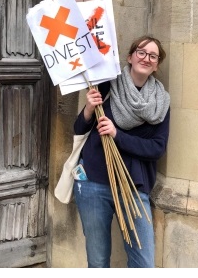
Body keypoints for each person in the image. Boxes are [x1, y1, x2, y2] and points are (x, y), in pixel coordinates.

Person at [73, 35, 171, 268]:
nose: (146, 58)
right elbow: (78, 129)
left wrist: (118, 135)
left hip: (134, 186)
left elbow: (157, 148)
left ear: (157, 64)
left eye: (153, 55)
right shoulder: (108, 85)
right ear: (129, 56)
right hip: (94, 182)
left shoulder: (161, 103)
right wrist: (88, 109)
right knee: (97, 263)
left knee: (143, 263)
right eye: (141, 52)